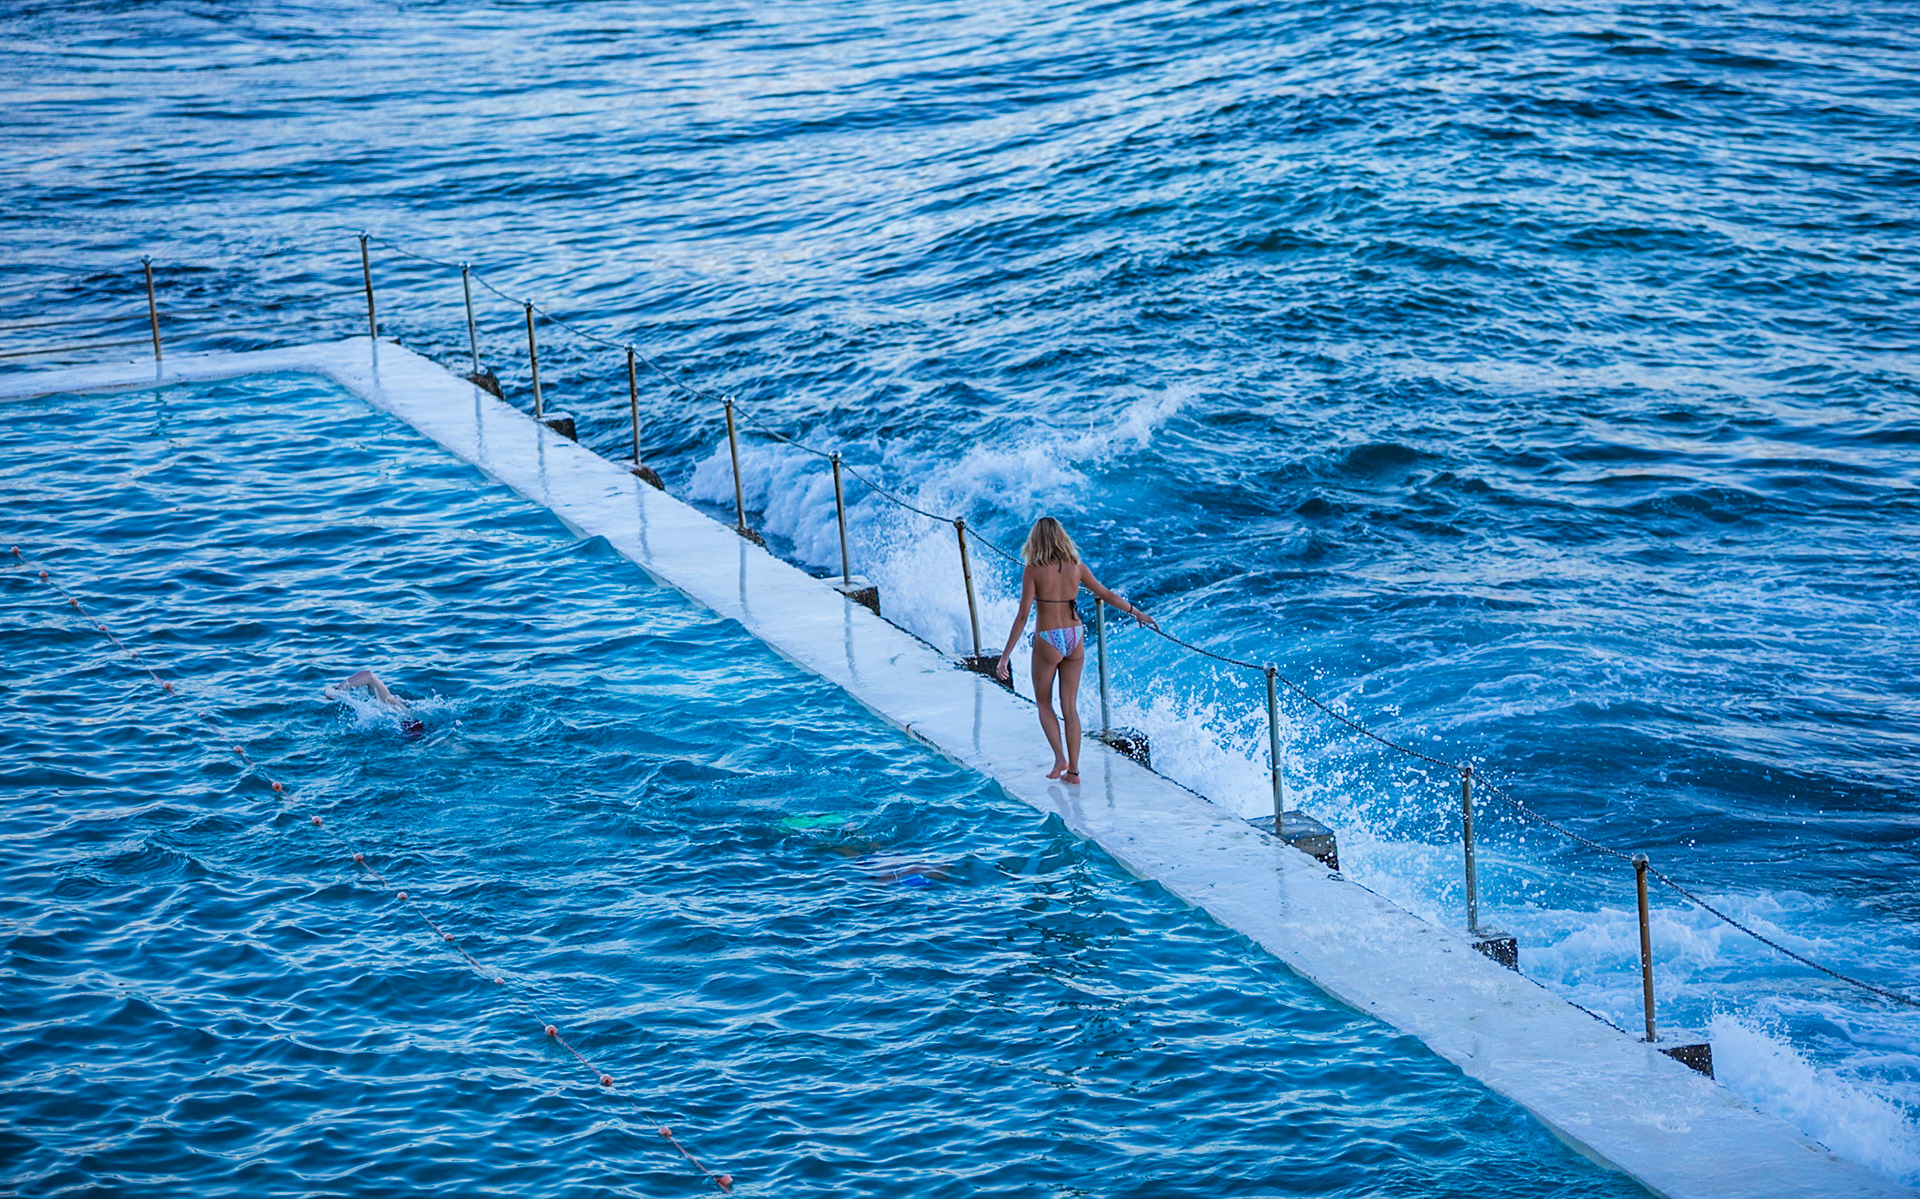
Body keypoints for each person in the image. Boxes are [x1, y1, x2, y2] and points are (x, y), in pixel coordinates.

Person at [995, 517, 1156, 782]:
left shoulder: (1033, 570)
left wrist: (1005, 656)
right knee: (1069, 707)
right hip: (1075, 635)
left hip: (1048, 638)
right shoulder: (1076, 567)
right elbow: (1106, 594)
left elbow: (1023, 615)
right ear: (1062, 538)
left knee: (1044, 703)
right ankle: (1074, 771)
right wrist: (1136, 612)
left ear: (1035, 541)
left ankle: (1060, 758)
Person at [324, 669, 426, 737]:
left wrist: (336, 690)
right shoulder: (402, 706)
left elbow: (368, 675)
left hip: (408, 730)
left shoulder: (390, 701)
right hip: (416, 732)